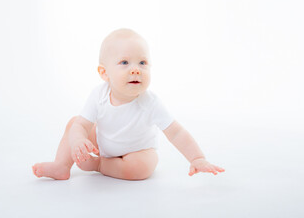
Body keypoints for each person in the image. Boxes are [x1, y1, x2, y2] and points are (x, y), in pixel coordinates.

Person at [32, 28, 225, 180]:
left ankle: (100, 165)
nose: (135, 70)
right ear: (104, 73)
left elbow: (176, 132)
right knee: (74, 123)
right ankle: (62, 165)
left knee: (142, 167)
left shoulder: (151, 103)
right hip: (102, 143)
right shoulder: (98, 95)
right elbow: (82, 125)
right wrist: (78, 141)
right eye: (125, 62)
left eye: (142, 63)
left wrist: (197, 158)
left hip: (137, 151)